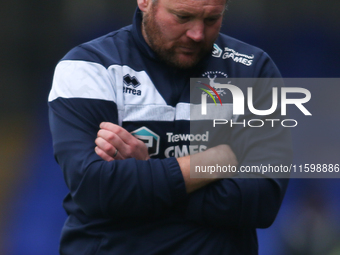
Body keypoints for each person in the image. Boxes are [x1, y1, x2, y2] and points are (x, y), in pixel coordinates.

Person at [48, 0, 292, 254]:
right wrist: (217, 159)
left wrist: (145, 175)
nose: (197, 34)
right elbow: (96, 189)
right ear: (145, 2)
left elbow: (263, 201)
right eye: (182, 16)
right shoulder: (88, 68)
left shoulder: (253, 70)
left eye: (211, 19)